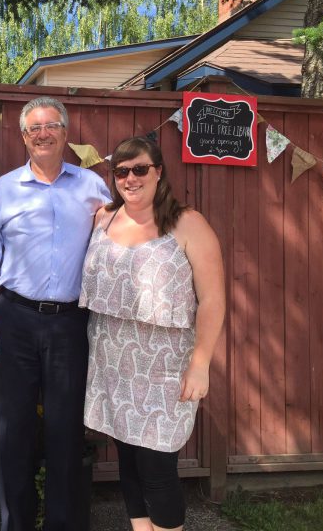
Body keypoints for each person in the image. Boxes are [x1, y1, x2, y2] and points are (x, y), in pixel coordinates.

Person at [0, 96, 110, 531]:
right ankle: (18, 524)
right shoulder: (5, 189)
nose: (43, 134)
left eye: (51, 125)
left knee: (66, 432)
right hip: (15, 321)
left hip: (70, 323)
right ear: (23, 137)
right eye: (34, 128)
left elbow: (119, 242)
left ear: (65, 133)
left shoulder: (93, 187)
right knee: (15, 432)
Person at [79, 136, 225, 531]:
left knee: (157, 467)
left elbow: (212, 300)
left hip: (164, 366)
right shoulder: (103, 218)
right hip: (113, 360)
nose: (130, 178)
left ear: (158, 172)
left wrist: (201, 364)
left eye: (140, 168)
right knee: (127, 463)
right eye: (122, 171)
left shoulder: (187, 224)